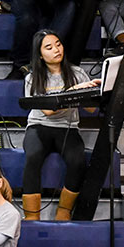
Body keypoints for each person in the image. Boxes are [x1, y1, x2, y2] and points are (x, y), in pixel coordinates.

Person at [21, 30, 100, 221]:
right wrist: (73, 90)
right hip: (39, 126)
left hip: (68, 128)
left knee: (78, 161)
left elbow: (91, 110)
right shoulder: (32, 78)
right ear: (40, 54)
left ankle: (64, 211)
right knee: (32, 157)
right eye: (49, 47)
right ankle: (32, 216)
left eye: (58, 44)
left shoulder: (77, 73)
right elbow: (47, 110)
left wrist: (94, 92)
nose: (56, 49)